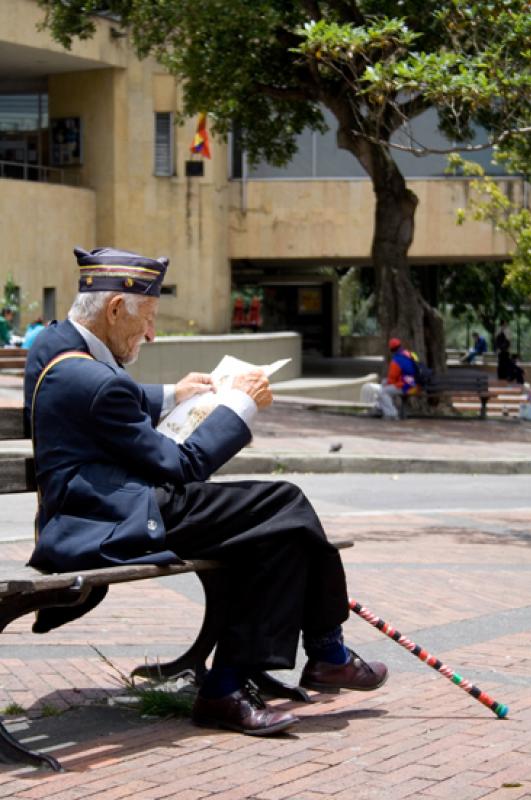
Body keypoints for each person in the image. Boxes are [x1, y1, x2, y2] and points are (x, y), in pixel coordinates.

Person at [24, 246, 388, 737]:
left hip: (94, 507)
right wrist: (238, 408)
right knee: (284, 504)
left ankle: (240, 681)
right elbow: (183, 467)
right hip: (114, 519)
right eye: (148, 319)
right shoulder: (92, 380)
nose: (151, 334)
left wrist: (172, 395)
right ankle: (322, 652)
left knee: (276, 531)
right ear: (114, 310)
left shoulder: (53, 346)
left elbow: (102, 394)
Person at [372, 338, 420, 419]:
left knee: (383, 392)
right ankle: (379, 407)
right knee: (384, 382)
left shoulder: (396, 361)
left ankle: (392, 414)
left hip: (406, 387)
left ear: (391, 349)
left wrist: (388, 384)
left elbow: (392, 378)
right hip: (416, 383)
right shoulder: (411, 354)